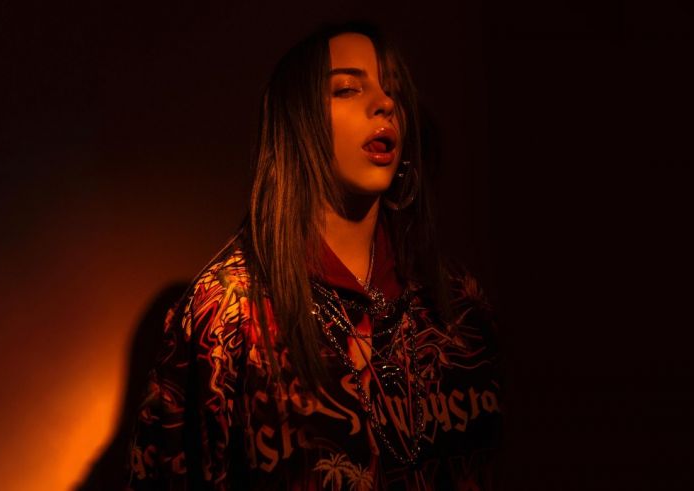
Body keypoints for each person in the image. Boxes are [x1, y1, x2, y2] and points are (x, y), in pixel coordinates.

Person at [126, 21, 501, 490]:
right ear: (297, 123)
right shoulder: (226, 314)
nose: (385, 103)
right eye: (346, 88)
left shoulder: (458, 303)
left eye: (395, 93)